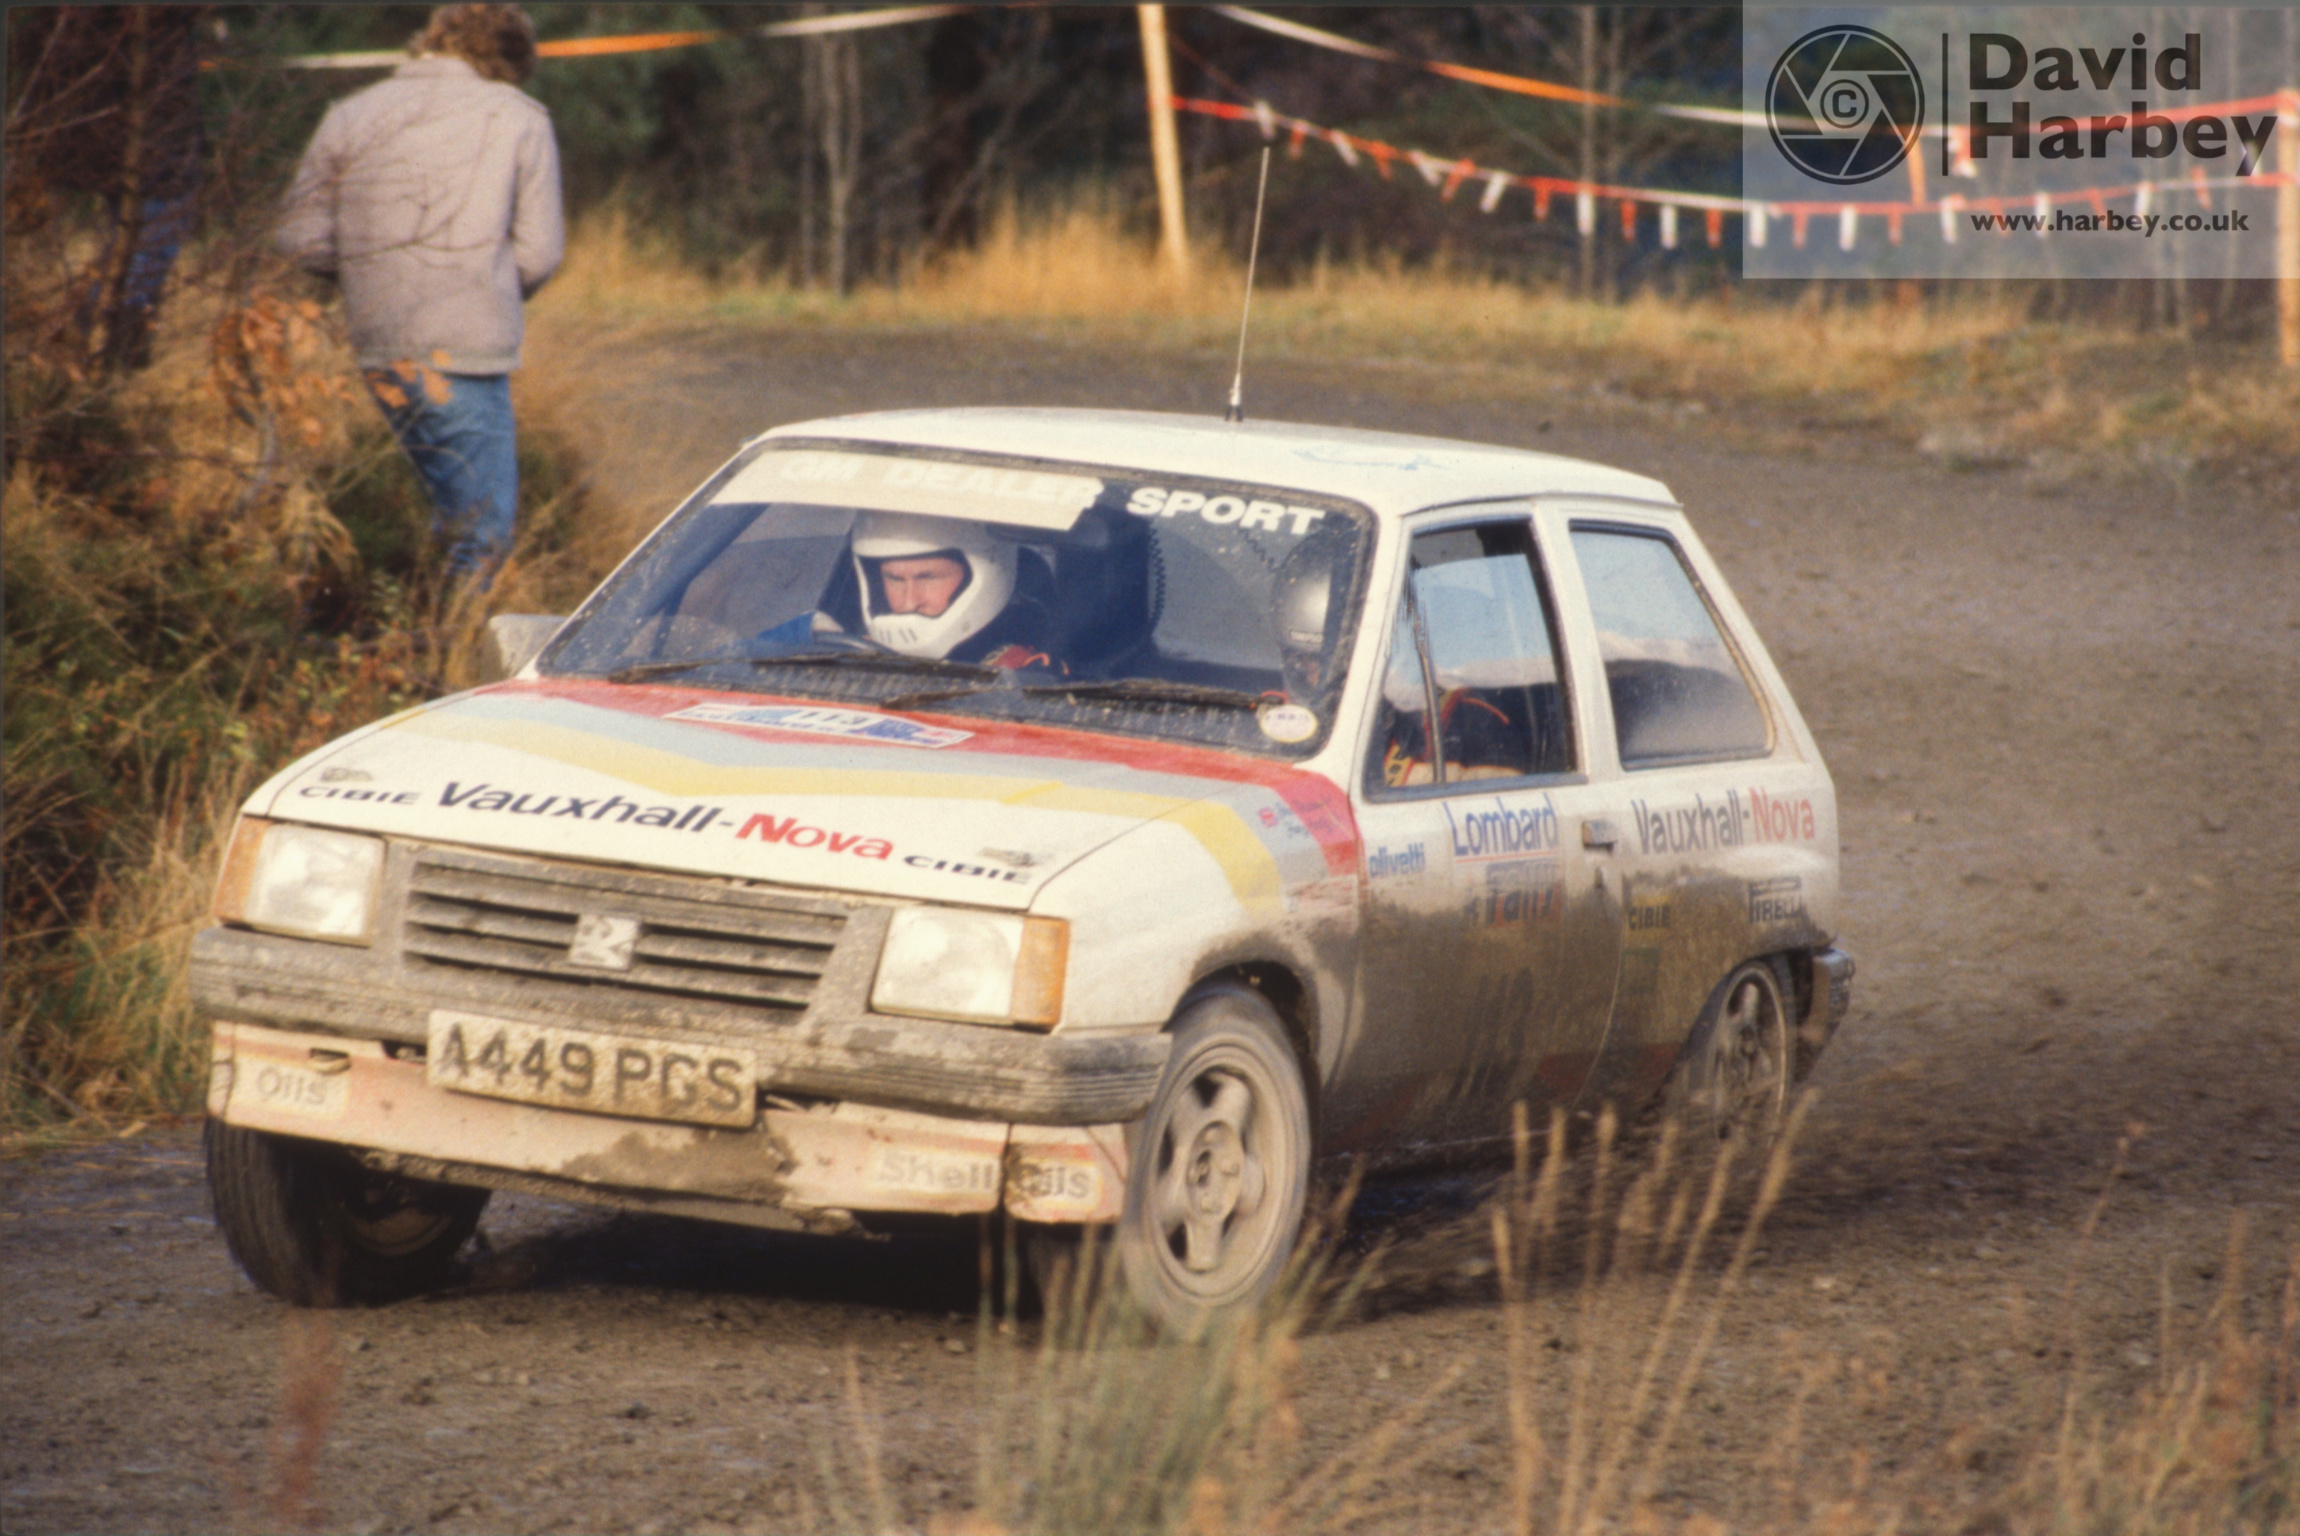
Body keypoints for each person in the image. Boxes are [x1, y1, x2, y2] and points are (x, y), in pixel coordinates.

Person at [275, 4, 563, 587]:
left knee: (452, 512)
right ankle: (446, 662)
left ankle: (409, 637)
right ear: (508, 61)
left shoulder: (350, 114)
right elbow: (540, 253)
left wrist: (369, 272)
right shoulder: (520, 117)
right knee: (485, 534)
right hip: (467, 348)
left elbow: (298, 237)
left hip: (379, 343)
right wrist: (486, 286)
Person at [850, 514, 1058, 669]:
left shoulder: (1024, 674)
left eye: (928, 578)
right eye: (894, 579)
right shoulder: (847, 656)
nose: (909, 603)